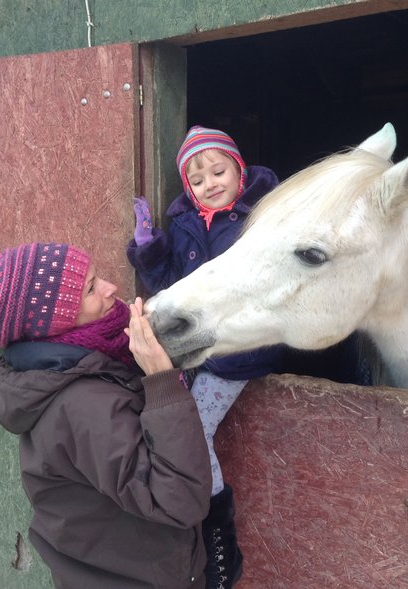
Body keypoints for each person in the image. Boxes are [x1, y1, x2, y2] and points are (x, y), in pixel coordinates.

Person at [0, 242, 211, 589]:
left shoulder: (71, 369)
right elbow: (179, 499)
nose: (110, 288)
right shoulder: (82, 404)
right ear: (54, 325)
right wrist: (162, 382)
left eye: (97, 277)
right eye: (90, 288)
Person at [127, 125, 282, 589]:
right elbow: (169, 285)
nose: (211, 183)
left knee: (192, 427)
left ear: (239, 170)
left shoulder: (260, 220)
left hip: (237, 352)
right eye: (198, 180)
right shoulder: (187, 225)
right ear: (188, 189)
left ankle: (216, 530)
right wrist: (148, 247)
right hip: (198, 353)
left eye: (219, 171)